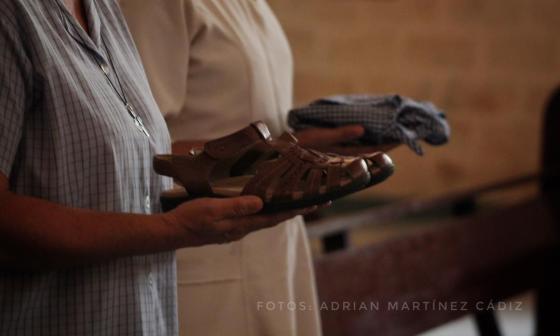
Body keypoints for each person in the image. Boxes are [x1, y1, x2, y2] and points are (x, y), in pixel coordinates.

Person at [0, 0, 315, 335]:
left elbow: (149, 153)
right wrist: (175, 230)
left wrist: (297, 151)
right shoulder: (12, 16)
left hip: (145, 314)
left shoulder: (103, 9)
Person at [120, 1, 392, 335]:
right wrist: (274, 155)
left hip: (278, 249)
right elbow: (134, 145)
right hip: (209, 258)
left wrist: (306, 147)